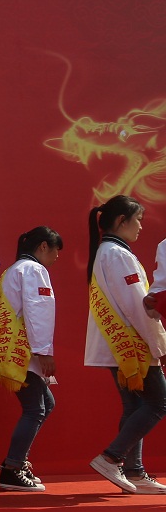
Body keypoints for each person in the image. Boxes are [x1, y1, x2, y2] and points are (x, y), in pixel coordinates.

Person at [85, 196, 166, 494]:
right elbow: (137, 306)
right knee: (158, 402)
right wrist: (160, 344)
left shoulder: (106, 252)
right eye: (138, 220)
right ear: (122, 221)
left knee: (135, 406)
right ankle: (112, 457)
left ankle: (134, 471)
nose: (141, 226)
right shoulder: (118, 254)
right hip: (131, 345)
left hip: (119, 343)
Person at [0, 226, 63, 493]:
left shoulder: (14, 270)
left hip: (11, 348)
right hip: (21, 351)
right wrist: (44, 351)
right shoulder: (33, 269)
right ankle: (13, 468)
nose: (56, 257)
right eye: (56, 250)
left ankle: (17, 462)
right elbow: (39, 311)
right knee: (36, 409)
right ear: (43, 246)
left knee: (44, 404)